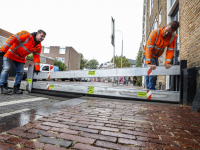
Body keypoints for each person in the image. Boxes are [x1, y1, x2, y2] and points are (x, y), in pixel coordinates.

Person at [0, 30, 46, 94]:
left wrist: (37, 69)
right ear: (37, 34)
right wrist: (3, 50)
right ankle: (3, 87)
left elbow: (36, 57)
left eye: (44, 37)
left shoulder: (38, 46)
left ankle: (16, 87)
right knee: (6, 69)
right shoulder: (26, 35)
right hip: (10, 54)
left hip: (20, 58)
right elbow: (13, 38)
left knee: (20, 72)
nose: (43, 38)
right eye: (42, 36)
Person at [142, 21, 179, 90]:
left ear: (173, 31)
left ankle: (149, 91)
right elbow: (149, 47)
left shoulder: (173, 37)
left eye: (170, 32)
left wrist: (167, 62)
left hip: (156, 56)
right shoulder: (156, 32)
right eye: (167, 30)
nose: (167, 33)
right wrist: (148, 63)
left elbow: (170, 50)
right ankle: (151, 91)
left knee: (151, 73)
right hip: (148, 54)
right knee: (152, 72)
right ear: (165, 26)